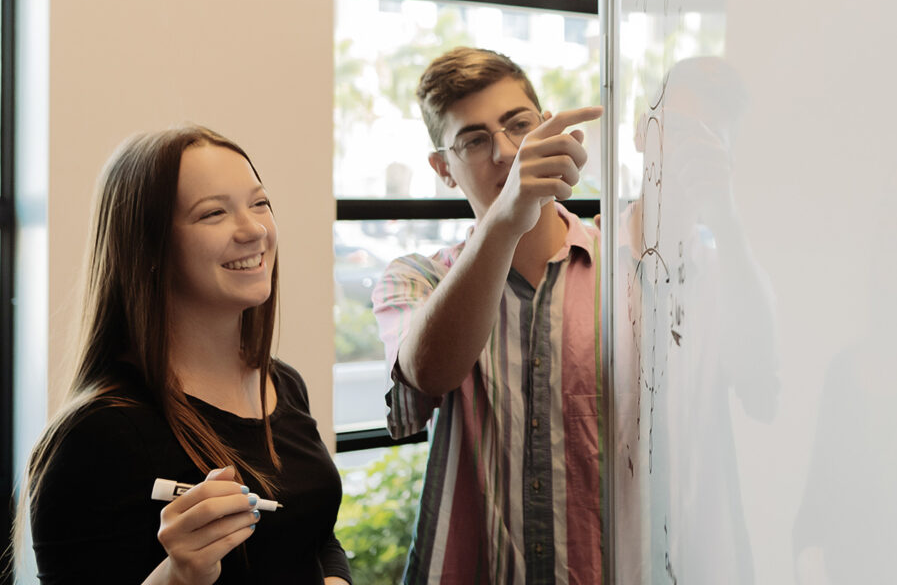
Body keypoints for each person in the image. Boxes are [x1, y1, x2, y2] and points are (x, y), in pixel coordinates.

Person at [13, 125, 353, 584]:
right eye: (213, 213)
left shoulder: (282, 384)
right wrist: (178, 575)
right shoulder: (92, 437)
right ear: (148, 247)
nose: (253, 229)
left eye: (260, 203)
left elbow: (312, 534)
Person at [371, 47, 604, 584]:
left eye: (519, 125)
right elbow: (427, 375)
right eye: (474, 140)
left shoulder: (624, 270)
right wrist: (507, 219)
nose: (505, 154)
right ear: (443, 169)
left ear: (547, 129)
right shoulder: (416, 278)